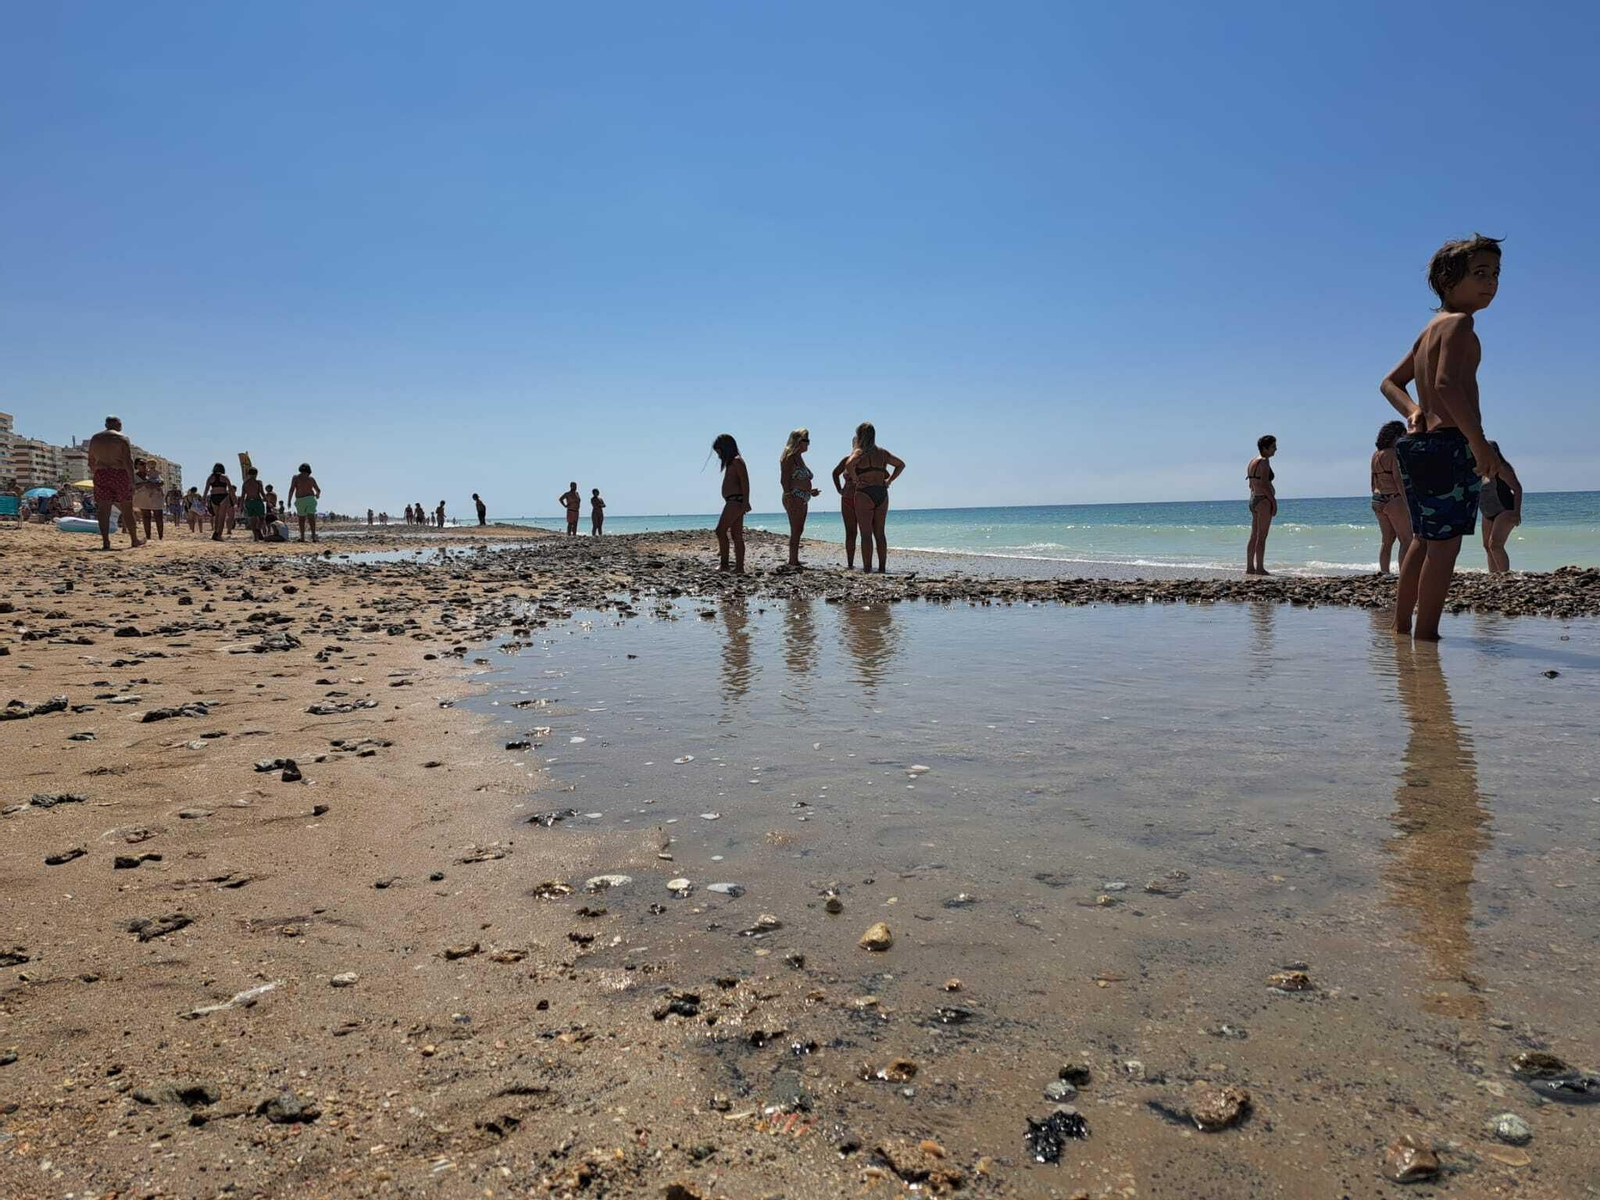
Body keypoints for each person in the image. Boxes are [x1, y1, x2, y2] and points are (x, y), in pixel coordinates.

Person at [1380, 234, 1503, 640]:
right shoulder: (1459, 323)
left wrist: (1413, 411)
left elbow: (1390, 384)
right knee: (1445, 548)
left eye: (1496, 274)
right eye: (1480, 273)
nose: (1491, 282)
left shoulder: (1428, 331)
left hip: (1418, 447)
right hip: (1450, 445)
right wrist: (1479, 442)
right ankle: (1427, 635)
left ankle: (1402, 627)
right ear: (1449, 282)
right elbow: (1449, 385)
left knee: (1422, 539)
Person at [844, 422, 905, 573]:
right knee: (880, 533)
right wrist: (889, 480)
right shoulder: (882, 452)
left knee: (866, 533)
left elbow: (849, 464)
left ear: (860, 436)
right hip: (882, 493)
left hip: (865, 493)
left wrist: (856, 479)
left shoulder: (859, 452)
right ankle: (882, 568)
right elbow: (900, 464)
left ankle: (867, 568)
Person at [87, 416, 141, 550]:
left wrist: (97, 473)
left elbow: (91, 461)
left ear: (106, 425)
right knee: (127, 508)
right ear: (119, 425)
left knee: (103, 510)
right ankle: (134, 540)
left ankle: (106, 541)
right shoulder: (121, 438)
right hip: (119, 473)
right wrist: (132, 481)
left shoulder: (95, 438)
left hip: (101, 473)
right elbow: (128, 461)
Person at [1370, 421, 1412, 575]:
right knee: (1406, 540)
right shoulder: (1394, 454)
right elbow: (1398, 480)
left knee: (1387, 540)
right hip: (1393, 498)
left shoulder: (1375, 455)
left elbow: (1372, 480)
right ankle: (1405, 574)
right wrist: (1407, 503)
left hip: (1377, 498)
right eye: (1403, 435)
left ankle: (1384, 572)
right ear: (1397, 436)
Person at [1477, 440, 1523, 573]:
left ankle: (1504, 575)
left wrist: (1516, 512)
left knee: (1495, 545)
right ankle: (1494, 575)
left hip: (1505, 509)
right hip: (1488, 512)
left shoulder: (1502, 468)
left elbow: (1517, 489)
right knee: (1487, 546)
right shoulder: (1481, 469)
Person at [779, 428, 821, 568]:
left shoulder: (799, 457)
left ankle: (794, 558)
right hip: (794, 496)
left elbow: (798, 479)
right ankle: (793, 560)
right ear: (798, 441)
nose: (808, 444)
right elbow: (784, 479)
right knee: (795, 529)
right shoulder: (789, 456)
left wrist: (810, 490)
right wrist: (788, 495)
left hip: (802, 496)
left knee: (799, 529)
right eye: (806, 441)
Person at [712, 434, 751, 573]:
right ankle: (739, 568)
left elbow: (745, 482)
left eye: (719, 452)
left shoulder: (737, 461)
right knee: (736, 534)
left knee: (720, 531)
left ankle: (725, 564)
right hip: (733, 500)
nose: (718, 456)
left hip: (736, 501)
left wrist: (746, 501)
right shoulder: (731, 463)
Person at [1245, 434, 1278, 575]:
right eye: (1273, 447)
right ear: (1264, 448)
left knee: (1254, 535)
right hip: (1263, 500)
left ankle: (1250, 568)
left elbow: (1251, 484)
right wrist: (1273, 502)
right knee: (1262, 537)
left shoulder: (1252, 461)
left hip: (1254, 500)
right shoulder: (1264, 462)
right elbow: (1264, 484)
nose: (1275, 449)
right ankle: (1260, 568)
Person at [831, 438, 859, 569]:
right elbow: (835, 473)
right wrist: (839, 490)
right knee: (851, 532)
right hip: (847, 498)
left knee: (867, 532)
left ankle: (868, 564)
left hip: (864, 500)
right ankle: (850, 563)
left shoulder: (868, 460)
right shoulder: (847, 460)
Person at [133, 457, 166, 541]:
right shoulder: (134, 476)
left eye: (145, 463)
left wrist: (155, 485)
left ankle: (160, 536)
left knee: (158, 516)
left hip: (156, 496)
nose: (144, 465)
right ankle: (148, 536)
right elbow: (133, 486)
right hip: (143, 498)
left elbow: (161, 481)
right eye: (141, 464)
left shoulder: (152, 472)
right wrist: (145, 483)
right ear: (136, 466)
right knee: (146, 516)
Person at [288, 462, 321, 543]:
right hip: (310, 499)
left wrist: (289, 500)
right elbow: (318, 490)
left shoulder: (296, 477)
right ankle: (313, 536)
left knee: (301, 519)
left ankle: (302, 537)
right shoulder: (311, 479)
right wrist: (317, 495)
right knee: (311, 519)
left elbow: (292, 489)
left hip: (300, 499)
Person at [204, 462, 233, 542]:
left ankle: (215, 533)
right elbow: (230, 489)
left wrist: (204, 499)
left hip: (213, 496)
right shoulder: (225, 477)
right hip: (223, 496)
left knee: (217, 516)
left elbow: (206, 489)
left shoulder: (210, 478)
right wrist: (233, 498)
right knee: (222, 517)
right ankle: (219, 534)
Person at [241, 468, 267, 540]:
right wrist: (267, 501)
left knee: (252, 520)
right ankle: (258, 529)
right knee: (262, 518)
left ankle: (255, 537)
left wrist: (241, 506)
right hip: (257, 501)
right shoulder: (258, 482)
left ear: (248, 474)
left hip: (248, 501)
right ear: (256, 474)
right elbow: (262, 493)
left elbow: (243, 495)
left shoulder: (245, 483)